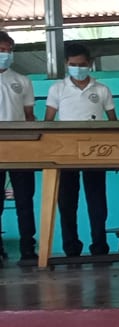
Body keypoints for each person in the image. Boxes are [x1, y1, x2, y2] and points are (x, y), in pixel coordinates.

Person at [45, 42, 118, 257]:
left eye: (82, 64)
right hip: (65, 153)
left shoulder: (102, 89)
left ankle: (99, 247)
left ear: (90, 63)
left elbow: (113, 122)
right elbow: (48, 121)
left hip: (96, 152)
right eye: (73, 65)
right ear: (66, 64)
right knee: (67, 203)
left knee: (97, 203)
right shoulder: (57, 89)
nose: (78, 68)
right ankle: (71, 247)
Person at [0, 31, 37, 262]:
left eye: (8, 50)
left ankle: (28, 249)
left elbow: (29, 115)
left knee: (24, 200)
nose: (5, 54)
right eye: (1, 50)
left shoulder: (22, 81)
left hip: (20, 147)